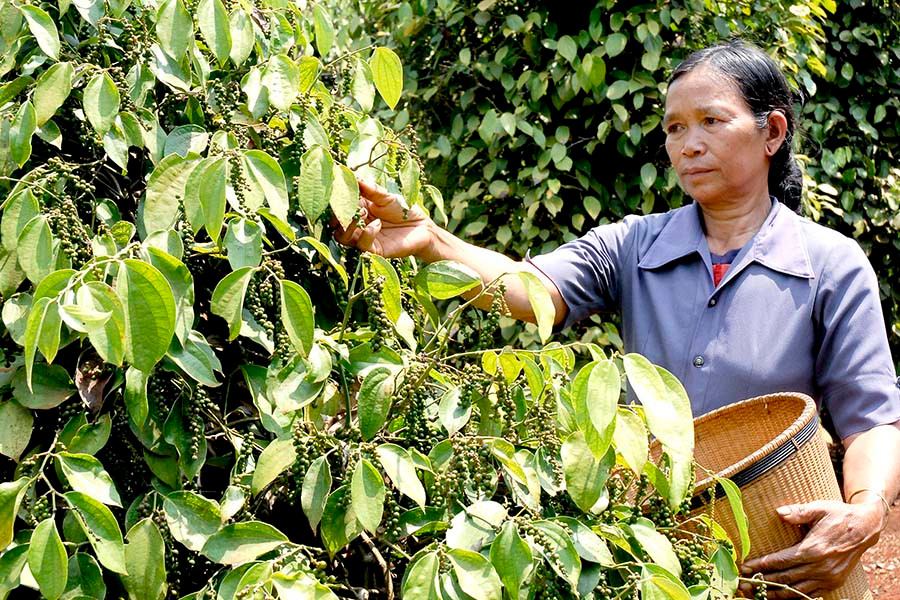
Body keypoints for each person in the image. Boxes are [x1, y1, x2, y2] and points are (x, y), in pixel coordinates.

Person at [335, 41, 900, 598]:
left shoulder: (829, 264)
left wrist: (865, 511)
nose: (688, 145)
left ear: (771, 132)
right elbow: (531, 290)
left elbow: (871, 418)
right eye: (675, 128)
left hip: (781, 545)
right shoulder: (634, 244)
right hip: (657, 549)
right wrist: (430, 239)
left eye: (711, 121)